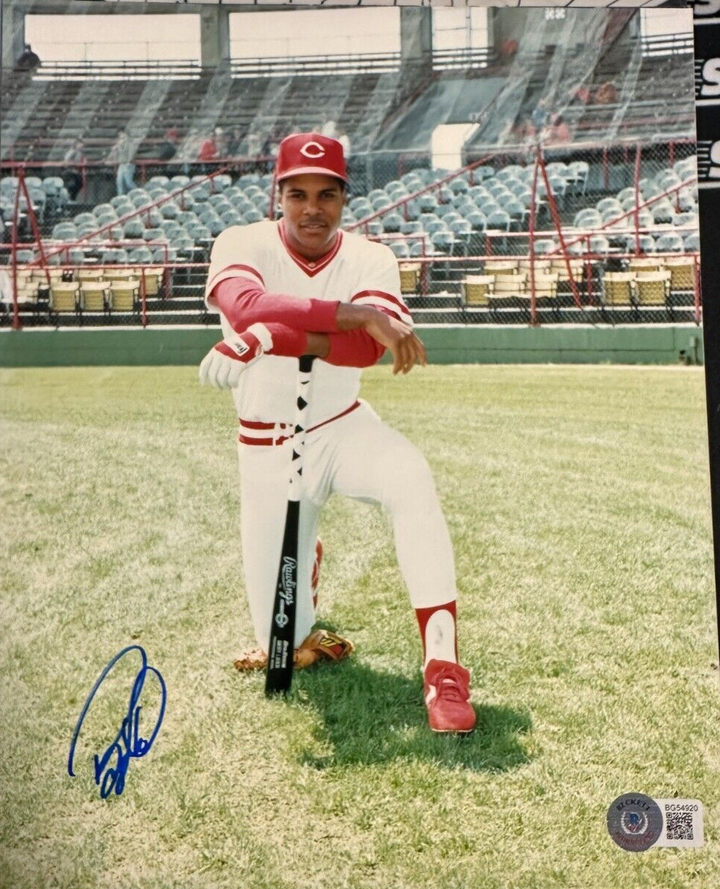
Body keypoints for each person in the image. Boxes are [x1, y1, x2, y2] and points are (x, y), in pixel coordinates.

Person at [198, 132, 477, 733]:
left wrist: (273, 336)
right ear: (278, 194)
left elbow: (360, 354)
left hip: (340, 427)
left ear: (345, 199)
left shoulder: (371, 257)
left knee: (411, 477)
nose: (312, 209)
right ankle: (305, 566)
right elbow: (246, 306)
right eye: (297, 193)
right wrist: (361, 315)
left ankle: (445, 672)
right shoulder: (239, 241)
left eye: (327, 194)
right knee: (288, 644)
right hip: (265, 444)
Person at [106, 129, 136, 196]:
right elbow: (115, 154)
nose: (120, 136)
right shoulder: (119, 144)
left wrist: (129, 161)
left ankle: (138, 193)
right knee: (119, 181)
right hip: (121, 164)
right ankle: (120, 196)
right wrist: (115, 149)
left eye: (121, 134)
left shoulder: (130, 142)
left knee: (128, 182)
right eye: (119, 134)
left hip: (128, 164)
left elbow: (131, 153)